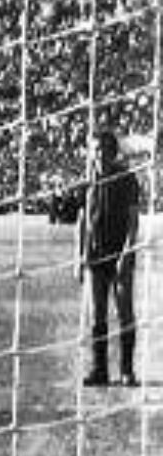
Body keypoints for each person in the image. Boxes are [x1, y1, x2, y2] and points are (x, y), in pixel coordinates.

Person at [78, 128, 144, 387]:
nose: (99, 154)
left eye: (103, 149)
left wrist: (126, 254)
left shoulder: (127, 179)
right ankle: (100, 370)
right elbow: (83, 222)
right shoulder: (88, 181)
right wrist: (80, 257)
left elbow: (133, 222)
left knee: (125, 310)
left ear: (113, 151)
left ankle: (127, 371)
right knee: (97, 314)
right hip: (95, 255)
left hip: (120, 254)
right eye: (95, 150)